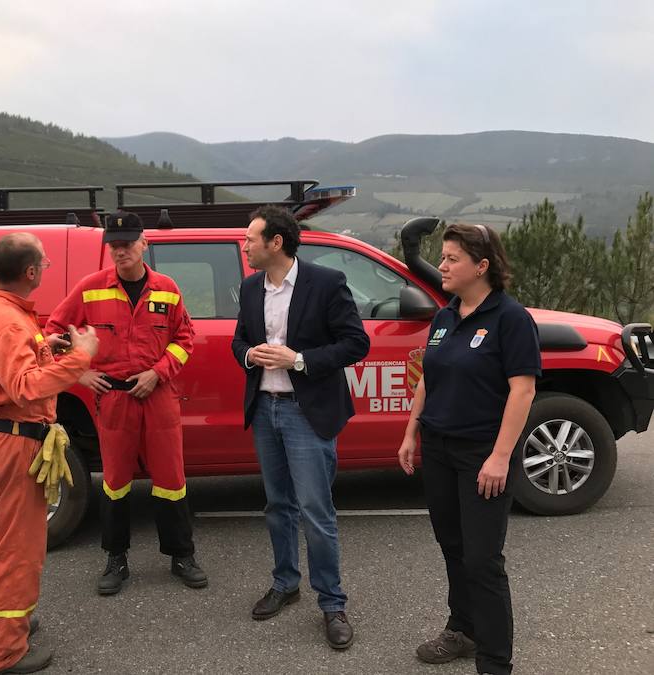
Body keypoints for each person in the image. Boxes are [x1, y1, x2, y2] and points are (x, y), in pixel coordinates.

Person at [397, 223, 540, 675]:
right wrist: (410, 432)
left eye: (452, 258)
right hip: (438, 448)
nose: (442, 265)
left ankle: (495, 662)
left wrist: (500, 457)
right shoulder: (445, 316)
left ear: (482, 266)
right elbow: (429, 379)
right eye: (442, 256)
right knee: (453, 547)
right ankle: (462, 629)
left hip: (482, 452)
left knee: (482, 560)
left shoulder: (510, 318)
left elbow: (523, 392)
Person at [230, 205, 370, 650]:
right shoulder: (251, 287)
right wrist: (250, 356)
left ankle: (332, 603)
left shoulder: (325, 283)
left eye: (251, 238)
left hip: (305, 411)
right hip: (265, 409)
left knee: (316, 511)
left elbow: (356, 343)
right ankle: (285, 583)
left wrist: (301, 360)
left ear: (276, 242)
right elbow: (239, 340)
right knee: (278, 505)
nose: (245, 245)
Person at [45, 210, 206, 595]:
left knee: (171, 480)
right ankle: (116, 558)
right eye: (114, 246)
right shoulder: (90, 288)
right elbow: (52, 333)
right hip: (114, 398)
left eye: (128, 244)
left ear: (144, 244)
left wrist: (158, 373)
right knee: (115, 482)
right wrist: (78, 373)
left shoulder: (167, 288)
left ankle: (182, 555)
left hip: (159, 394)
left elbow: (185, 339)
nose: (120, 252)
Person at [0, 232, 99, 675]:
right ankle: (1, 654)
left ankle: (11, 622)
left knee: (8, 544)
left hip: (2, 438)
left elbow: (10, 367)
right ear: (30, 272)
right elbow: (23, 386)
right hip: (13, 440)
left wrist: (45, 349)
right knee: (16, 552)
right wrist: (79, 359)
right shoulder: (8, 321)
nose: (45, 268)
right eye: (43, 262)